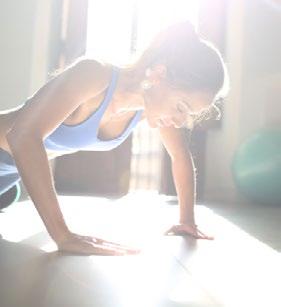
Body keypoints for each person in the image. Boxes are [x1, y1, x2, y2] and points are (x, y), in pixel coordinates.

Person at [0, 21, 229, 255]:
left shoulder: (148, 109)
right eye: (181, 106)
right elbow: (22, 136)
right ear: (160, 74)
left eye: (188, 115)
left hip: (9, 175)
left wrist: (187, 221)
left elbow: (179, 154)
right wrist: (63, 236)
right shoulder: (93, 75)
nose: (180, 121)